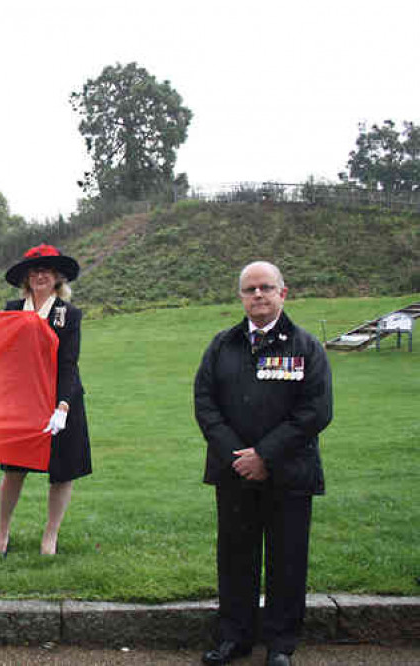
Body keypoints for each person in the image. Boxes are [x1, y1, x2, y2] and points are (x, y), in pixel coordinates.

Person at [194, 261, 333, 666]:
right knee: (236, 557)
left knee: (287, 560)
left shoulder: (306, 347)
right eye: (250, 289)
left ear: (282, 293)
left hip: (288, 474)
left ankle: (280, 645)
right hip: (234, 473)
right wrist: (240, 456)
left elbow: (316, 410)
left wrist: (265, 455)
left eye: (266, 288)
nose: (258, 295)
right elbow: (205, 404)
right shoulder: (221, 346)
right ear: (240, 296)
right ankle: (233, 638)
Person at [0, 244, 92, 556]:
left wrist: (62, 405)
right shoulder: (11, 311)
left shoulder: (69, 315)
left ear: (57, 277)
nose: (40, 275)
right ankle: (2, 533)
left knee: (63, 470)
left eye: (46, 270)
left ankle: (50, 536)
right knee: (14, 469)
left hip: (62, 401)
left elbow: (68, 363)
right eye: (34, 270)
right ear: (26, 278)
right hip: (22, 402)